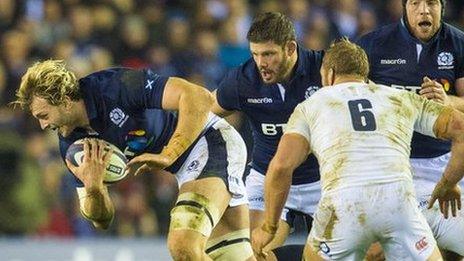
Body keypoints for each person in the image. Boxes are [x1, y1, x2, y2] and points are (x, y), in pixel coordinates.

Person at [14, 60, 255, 261]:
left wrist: (170, 153)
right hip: (185, 167)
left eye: (44, 116)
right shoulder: (71, 144)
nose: (43, 125)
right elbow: (102, 221)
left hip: (210, 141)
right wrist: (94, 187)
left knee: (183, 246)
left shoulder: (114, 87)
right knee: (232, 255)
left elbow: (198, 96)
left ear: (65, 101)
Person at [252, 39, 464, 260]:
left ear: (329, 74)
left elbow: (280, 167)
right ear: (365, 74)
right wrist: (448, 183)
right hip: (399, 205)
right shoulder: (399, 97)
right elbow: (461, 128)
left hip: (343, 208)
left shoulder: (311, 106)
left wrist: (269, 226)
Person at [357, 0, 464, 258]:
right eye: (416, 3)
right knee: (375, 252)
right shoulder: (373, 44)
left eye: (431, 3)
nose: (424, 10)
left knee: (452, 247)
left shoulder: (458, 43)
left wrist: (447, 101)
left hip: (447, 164)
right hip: (395, 165)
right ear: (404, 7)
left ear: (442, 6)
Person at [212, 12, 323, 251]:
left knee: (352, 253)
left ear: (291, 48)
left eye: (269, 54)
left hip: (323, 180)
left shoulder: (324, 71)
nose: (260, 63)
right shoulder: (243, 81)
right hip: (266, 179)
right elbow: (205, 113)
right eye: (255, 54)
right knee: (254, 250)